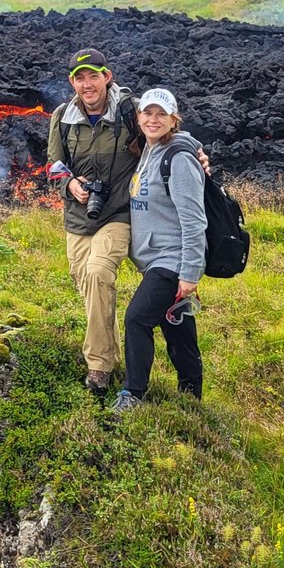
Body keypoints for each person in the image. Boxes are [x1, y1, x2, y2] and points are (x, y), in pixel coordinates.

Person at [46, 49, 143, 394]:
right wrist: (70, 184)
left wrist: (194, 155)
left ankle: (98, 367)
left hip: (118, 212)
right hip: (77, 215)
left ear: (107, 76)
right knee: (89, 284)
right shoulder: (62, 117)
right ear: (72, 82)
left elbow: (163, 136)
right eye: (80, 78)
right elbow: (54, 166)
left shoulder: (130, 111)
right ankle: (110, 352)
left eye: (93, 76)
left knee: (99, 272)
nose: (87, 84)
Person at [112, 88, 205, 411]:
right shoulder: (148, 150)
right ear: (138, 118)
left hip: (172, 260)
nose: (153, 119)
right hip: (155, 259)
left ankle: (132, 394)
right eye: (147, 113)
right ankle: (191, 396)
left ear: (173, 119)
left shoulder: (178, 158)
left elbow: (194, 221)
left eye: (161, 114)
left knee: (137, 319)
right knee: (177, 327)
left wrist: (190, 272)